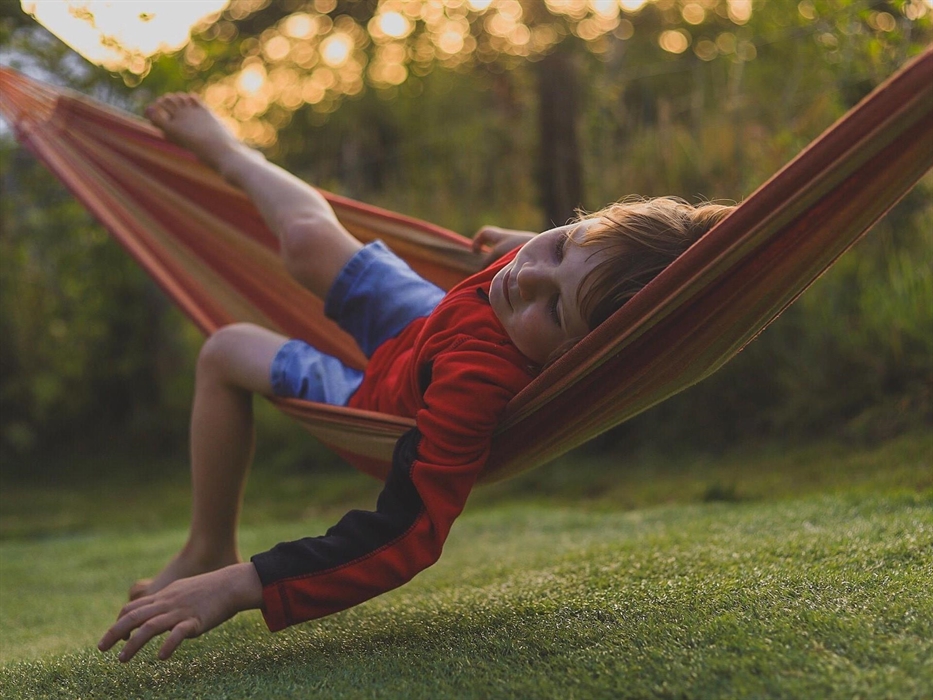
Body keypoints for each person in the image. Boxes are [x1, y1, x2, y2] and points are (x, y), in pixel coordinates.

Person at [97, 93, 734, 662]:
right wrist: (536, 245)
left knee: (225, 350)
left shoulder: (475, 386)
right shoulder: (526, 284)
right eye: (562, 243)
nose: (524, 275)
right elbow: (555, 274)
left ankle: (210, 544)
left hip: (379, 402)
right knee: (308, 238)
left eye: (555, 307)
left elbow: (406, 533)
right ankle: (231, 152)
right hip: (431, 324)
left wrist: (247, 583)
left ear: (577, 359)